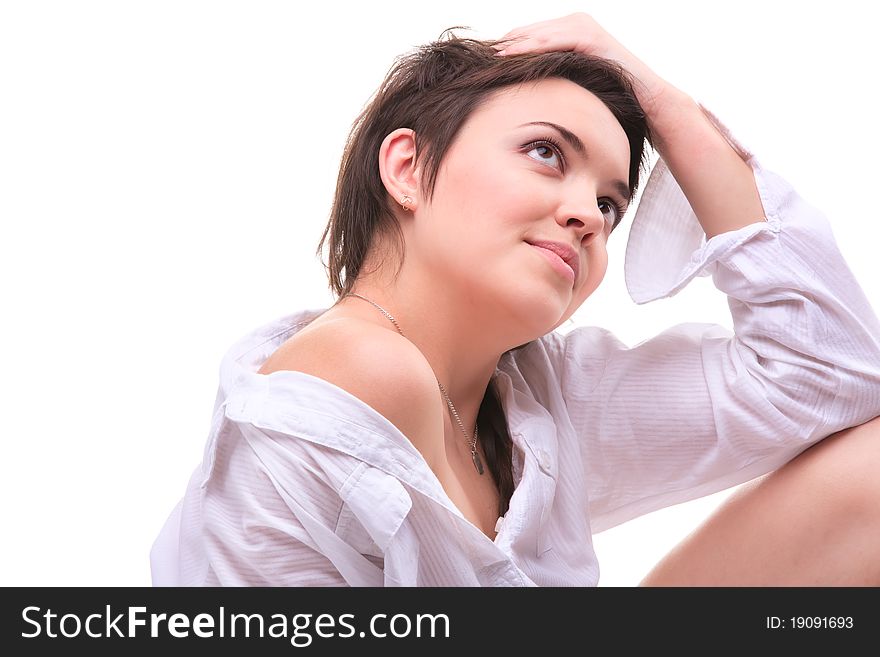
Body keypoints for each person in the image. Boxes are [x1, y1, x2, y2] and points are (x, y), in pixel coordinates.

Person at [150, 13, 880, 586]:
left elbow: (830, 374)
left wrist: (669, 107)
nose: (589, 215)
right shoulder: (362, 372)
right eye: (546, 152)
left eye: (610, 202)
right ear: (406, 167)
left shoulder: (537, 397)